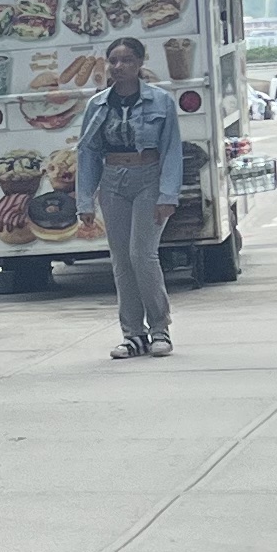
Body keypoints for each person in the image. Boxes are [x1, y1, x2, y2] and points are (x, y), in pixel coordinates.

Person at [77, 33, 184, 358]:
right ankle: (133, 334)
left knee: (143, 255)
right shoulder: (97, 104)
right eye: (113, 61)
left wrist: (168, 194)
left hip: (148, 179)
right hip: (112, 181)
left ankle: (160, 329)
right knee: (121, 260)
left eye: (126, 60)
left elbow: (171, 150)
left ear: (139, 64)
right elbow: (88, 154)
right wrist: (85, 201)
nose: (119, 66)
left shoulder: (160, 102)